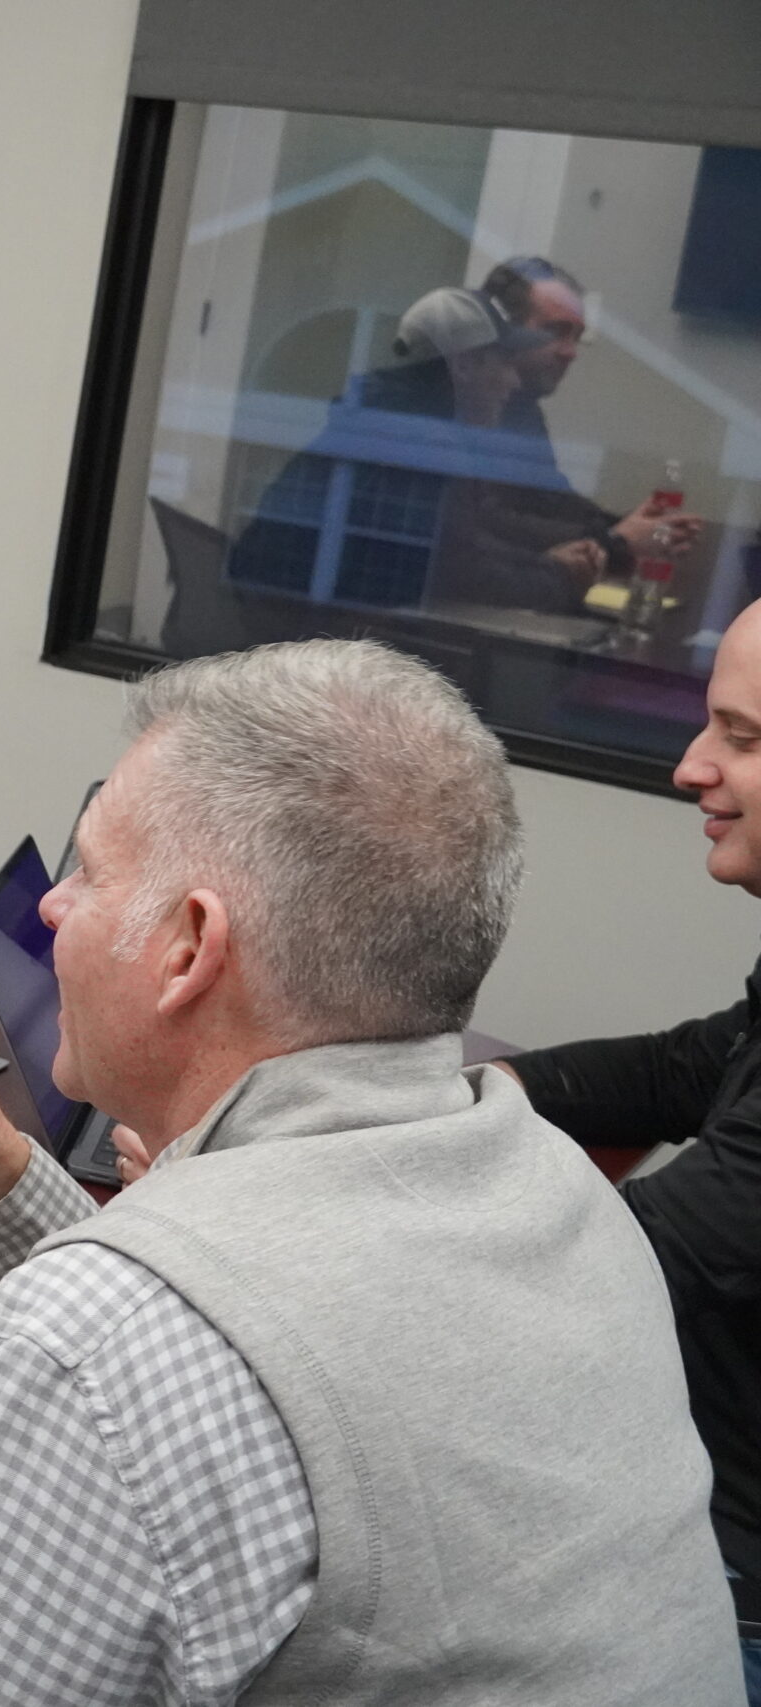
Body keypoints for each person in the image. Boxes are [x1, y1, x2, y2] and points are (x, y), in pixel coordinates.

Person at [0, 640, 738, 1706]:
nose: (51, 907)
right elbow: (237, 1339)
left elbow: (142, 1362)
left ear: (190, 948)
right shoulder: (559, 1187)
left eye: (90, 872)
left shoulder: (101, 1347)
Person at [495, 594, 761, 1695]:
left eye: (743, 738)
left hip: (726, 1598)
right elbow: (684, 1068)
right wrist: (455, 1097)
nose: (691, 767)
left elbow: (615, 1261)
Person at [224, 260, 702, 616]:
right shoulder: (413, 443)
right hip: (294, 649)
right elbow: (461, 572)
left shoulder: (414, 423)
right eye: (504, 364)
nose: (512, 381)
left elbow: (465, 543)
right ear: (465, 366)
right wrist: (579, 563)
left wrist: (581, 553)